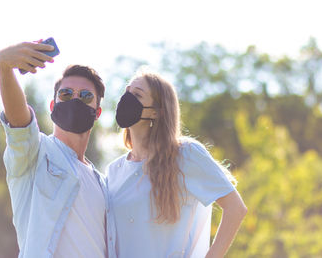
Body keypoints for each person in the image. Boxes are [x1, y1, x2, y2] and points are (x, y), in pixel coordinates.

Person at [106, 68, 247, 258]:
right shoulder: (113, 170)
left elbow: (235, 208)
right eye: (127, 92)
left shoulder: (185, 154)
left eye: (137, 95)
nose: (126, 99)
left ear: (156, 112)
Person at [0, 40, 113, 258]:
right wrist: (5, 67)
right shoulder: (35, 154)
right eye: (66, 94)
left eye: (86, 96)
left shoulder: (104, 183)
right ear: (53, 106)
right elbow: (19, 124)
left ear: (97, 112)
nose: (75, 99)